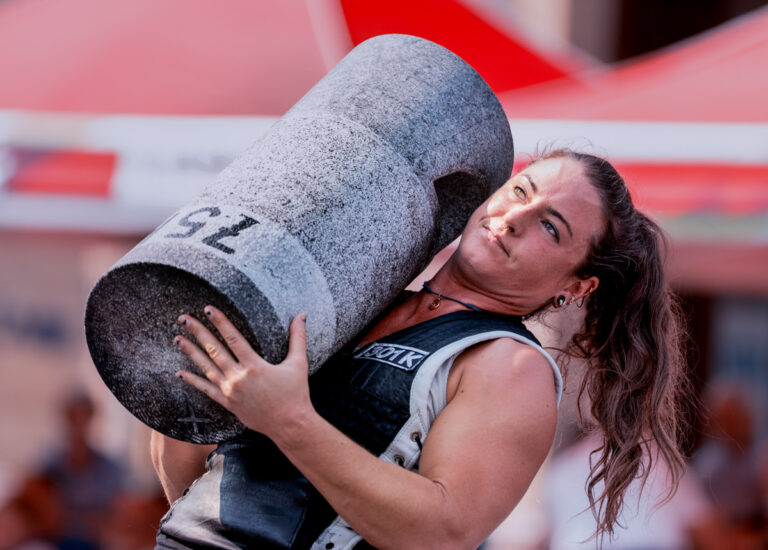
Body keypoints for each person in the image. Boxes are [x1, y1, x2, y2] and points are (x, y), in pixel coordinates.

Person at [150, 149, 692, 549]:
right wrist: (193, 389)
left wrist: (287, 419)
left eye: (549, 228)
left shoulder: (510, 365)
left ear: (575, 287)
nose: (512, 219)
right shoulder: (362, 300)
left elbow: (442, 533)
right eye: (520, 191)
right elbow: (201, 482)